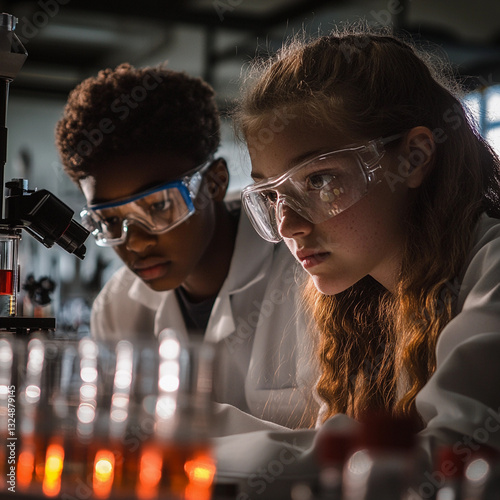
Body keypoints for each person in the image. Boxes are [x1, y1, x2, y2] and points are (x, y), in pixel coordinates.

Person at [213, 26, 500, 498]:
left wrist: (189, 435)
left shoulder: (492, 270)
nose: (287, 226)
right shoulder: (360, 302)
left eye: (320, 179)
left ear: (414, 156)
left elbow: (449, 460)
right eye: (273, 196)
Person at [55, 63, 319, 430]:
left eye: (160, 205)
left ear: (214, 183)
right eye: (111, 221)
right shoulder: (118, 307)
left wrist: (180, 432)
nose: (136, 242)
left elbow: (344, 450)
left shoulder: (311, 276)